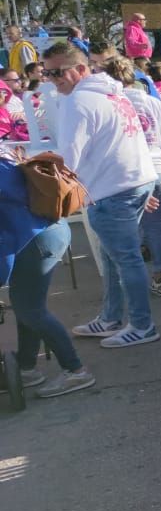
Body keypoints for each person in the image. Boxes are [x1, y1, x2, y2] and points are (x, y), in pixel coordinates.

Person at [43, 43, 161, 350]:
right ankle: (111, 317)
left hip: (113, 190)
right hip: (133, 182)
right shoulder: (111, 91)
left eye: (57, 72)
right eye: (47, 73)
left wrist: (44, 185)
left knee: (126, 259)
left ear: (81, 69)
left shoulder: (78, 100)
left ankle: (142, 325)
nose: (53, 79)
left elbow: (69, 158)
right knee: (112, 257)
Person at [1, 152, 93, 397]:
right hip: (48, 232)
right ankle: (26, 367)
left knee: (30, 309)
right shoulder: (5, 158)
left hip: (36, 240)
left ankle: (76, 370)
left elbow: (5, 236)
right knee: (25, 305)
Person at [112, 57, 161, 297]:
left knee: (125, 227)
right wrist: (158, 154)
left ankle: (132, 279)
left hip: (127, 172)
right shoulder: (153, 101)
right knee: (155, 225)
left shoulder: (111, 104)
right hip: (156, 168)